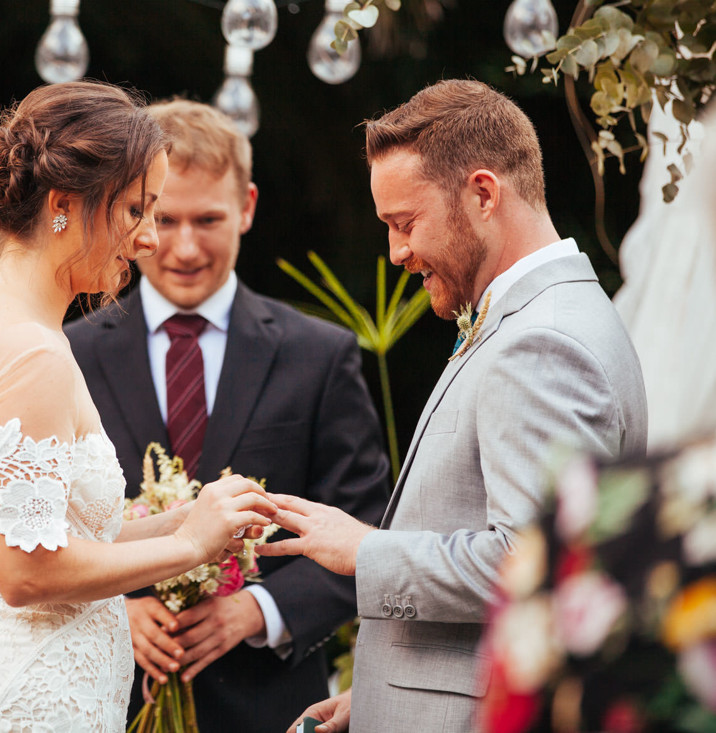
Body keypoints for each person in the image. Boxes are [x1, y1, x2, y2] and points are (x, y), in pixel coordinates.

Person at [257, 79, 648, 733]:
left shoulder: (543, 341)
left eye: (405, 223)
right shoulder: (536, 317)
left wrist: (366, 550)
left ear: (484, 193)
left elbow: (536, 564)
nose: (396, 253)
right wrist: (380, 698)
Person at [0, 81, 277, 732]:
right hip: (26, 705)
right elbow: (23, 570)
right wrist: (190, 543)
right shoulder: (30, 353)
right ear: (63, 205)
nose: (151, 239)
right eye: (137, 210)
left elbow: (51, 534)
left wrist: (189, 519)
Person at [65, 98, 390, 731]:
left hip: (270, 704)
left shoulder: (319, 355)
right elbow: (39, 532)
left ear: (246, 207)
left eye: (208, 219)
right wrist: (114, 612)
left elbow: (369, 527)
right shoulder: (69, 353)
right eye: (165, 218)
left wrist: (259, 610)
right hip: (106, 698)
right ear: (136, 216)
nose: (185, 247)